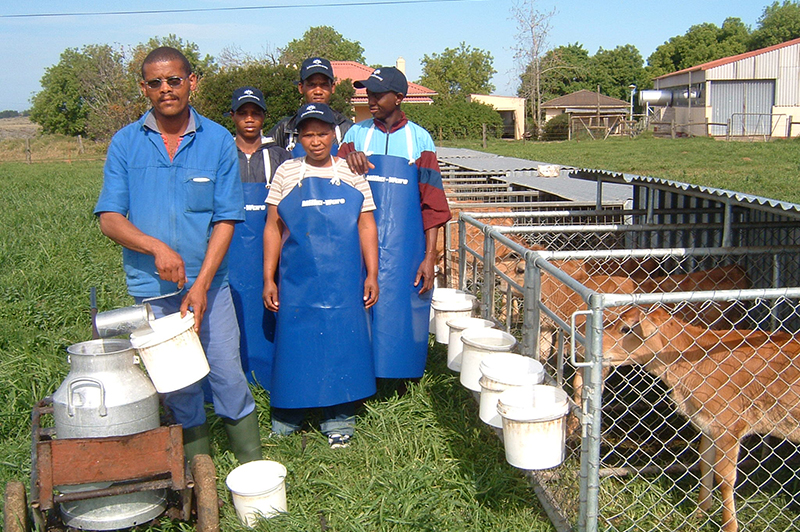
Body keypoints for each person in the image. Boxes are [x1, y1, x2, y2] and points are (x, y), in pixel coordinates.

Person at [94, 47, 262, 464]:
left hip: (210, 285)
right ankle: (195, 473)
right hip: (152, 287)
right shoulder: (126, 143)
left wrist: (202, 284)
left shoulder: (218, 140)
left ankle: (250, 467)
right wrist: (156, 247)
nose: (166, 89)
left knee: (226, 372)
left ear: (192, 82)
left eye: (174, 80)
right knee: (177, 382)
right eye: (156, 82)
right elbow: (110, 218)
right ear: (144, 88)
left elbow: (226, 219)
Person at [263, 102, 379, 448]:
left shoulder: (352, 174)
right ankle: (288, 413)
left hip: (343, 281)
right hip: (296, 282)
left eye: (322, 133)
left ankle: (339, 416)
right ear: (298, 137)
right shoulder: (286, 172)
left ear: (333, 135)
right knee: (294, 346)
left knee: (341, 343)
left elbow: (367, 225)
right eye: (308, 134)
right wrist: (269, 278)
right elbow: (273, 227)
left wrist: (372, 273)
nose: (315, 141)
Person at [339, 66, 451, 383]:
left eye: (378, 94)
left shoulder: (420, 141)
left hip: (405, 245)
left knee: (399, 309)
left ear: (399, 98)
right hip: (358, 243)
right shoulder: (355, 135)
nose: (370, 98)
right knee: (358, 308)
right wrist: (346, 161)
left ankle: (399, 376)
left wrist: (430, 257)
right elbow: (331, 181)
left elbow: (432, 202)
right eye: (368, 92)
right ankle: (357, 376)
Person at [226, 86, 290, 389]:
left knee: (270, 317)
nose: (249, 119)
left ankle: (272, 379)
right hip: (230, 252)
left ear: (264, 117)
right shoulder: (222, 154)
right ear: (233, 117)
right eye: (243, 113)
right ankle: (232, 382)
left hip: (272, 248)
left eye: (255, 113)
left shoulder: (279, 156)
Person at [266, 57, 352, 156]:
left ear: (332, 87)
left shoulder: (347, 129)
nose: (318, 91)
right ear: (301, 87)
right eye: (312, 85)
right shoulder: (285, 129)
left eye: (324, 85)